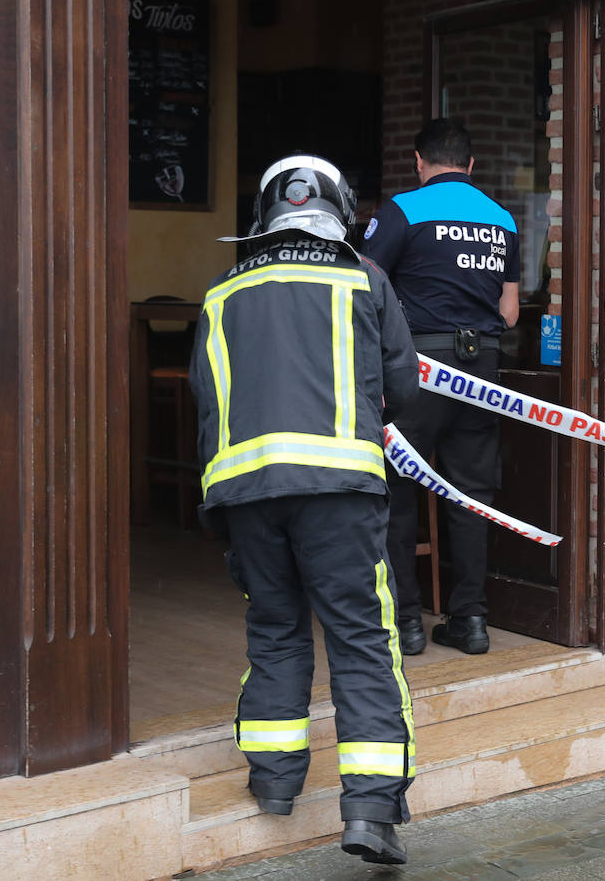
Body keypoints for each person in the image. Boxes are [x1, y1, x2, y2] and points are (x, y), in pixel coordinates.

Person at [189, 154, 420, 865]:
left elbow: (206, 399)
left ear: (267, 215)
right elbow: (402, 387)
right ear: (341, 209)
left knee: (276, 630)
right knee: (359, 637)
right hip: (340, 493)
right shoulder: (364, 278)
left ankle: (275, 784)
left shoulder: (223, 291)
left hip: (248, 495)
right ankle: (371, 813)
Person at [363, 117, 521, 657]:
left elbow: (364, 292)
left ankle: (406, 624)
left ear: (418, 161)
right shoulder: (501, 219)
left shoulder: (402, 211)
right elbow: (510, 311)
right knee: (472, 494)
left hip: (420, 368)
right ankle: (471, 621)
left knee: (396, 485)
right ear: (471, 165)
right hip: (483, 372)